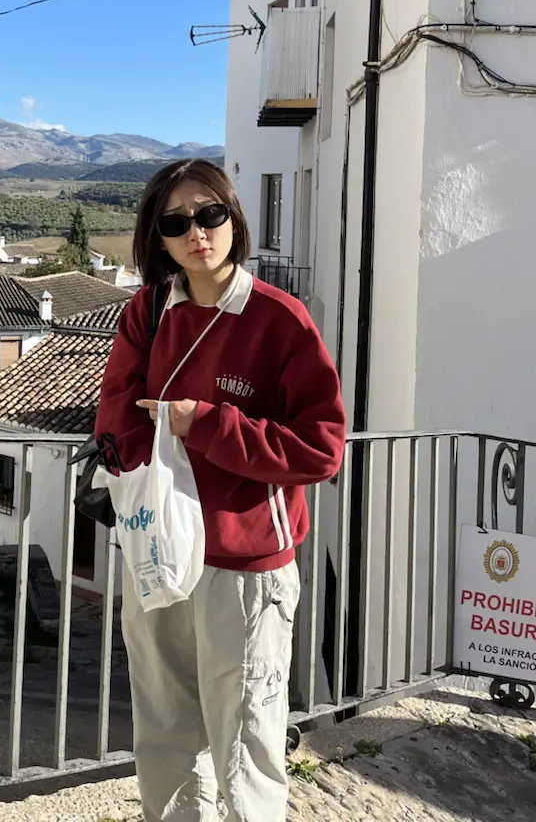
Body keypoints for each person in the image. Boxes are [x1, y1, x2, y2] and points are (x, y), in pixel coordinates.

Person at [95, 158, 345, 822]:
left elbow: (322, 447)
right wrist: (140, 465)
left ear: (234, 216)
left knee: (246, 745)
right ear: (159, 237)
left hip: (244, 567)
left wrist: (205, 425)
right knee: (163, 732)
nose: (197, 233)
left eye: (210, 214)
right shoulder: (147, 313)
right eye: (177, 222)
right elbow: (115, 420)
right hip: (157, 557)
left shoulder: (281, 322)